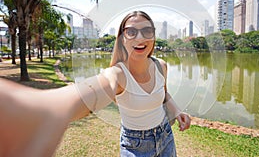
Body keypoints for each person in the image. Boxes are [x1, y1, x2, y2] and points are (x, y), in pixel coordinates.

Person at [0, 11, 190, 157]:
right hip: (136, 146)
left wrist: (177, 111)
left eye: (146, 31)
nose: (140, 38)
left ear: (153, 36)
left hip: (165, 136)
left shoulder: (161, 66)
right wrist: (50, 108)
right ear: (122, 39)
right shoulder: (118, 73)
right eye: (131, 32)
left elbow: (164, 94)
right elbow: (101, 86)